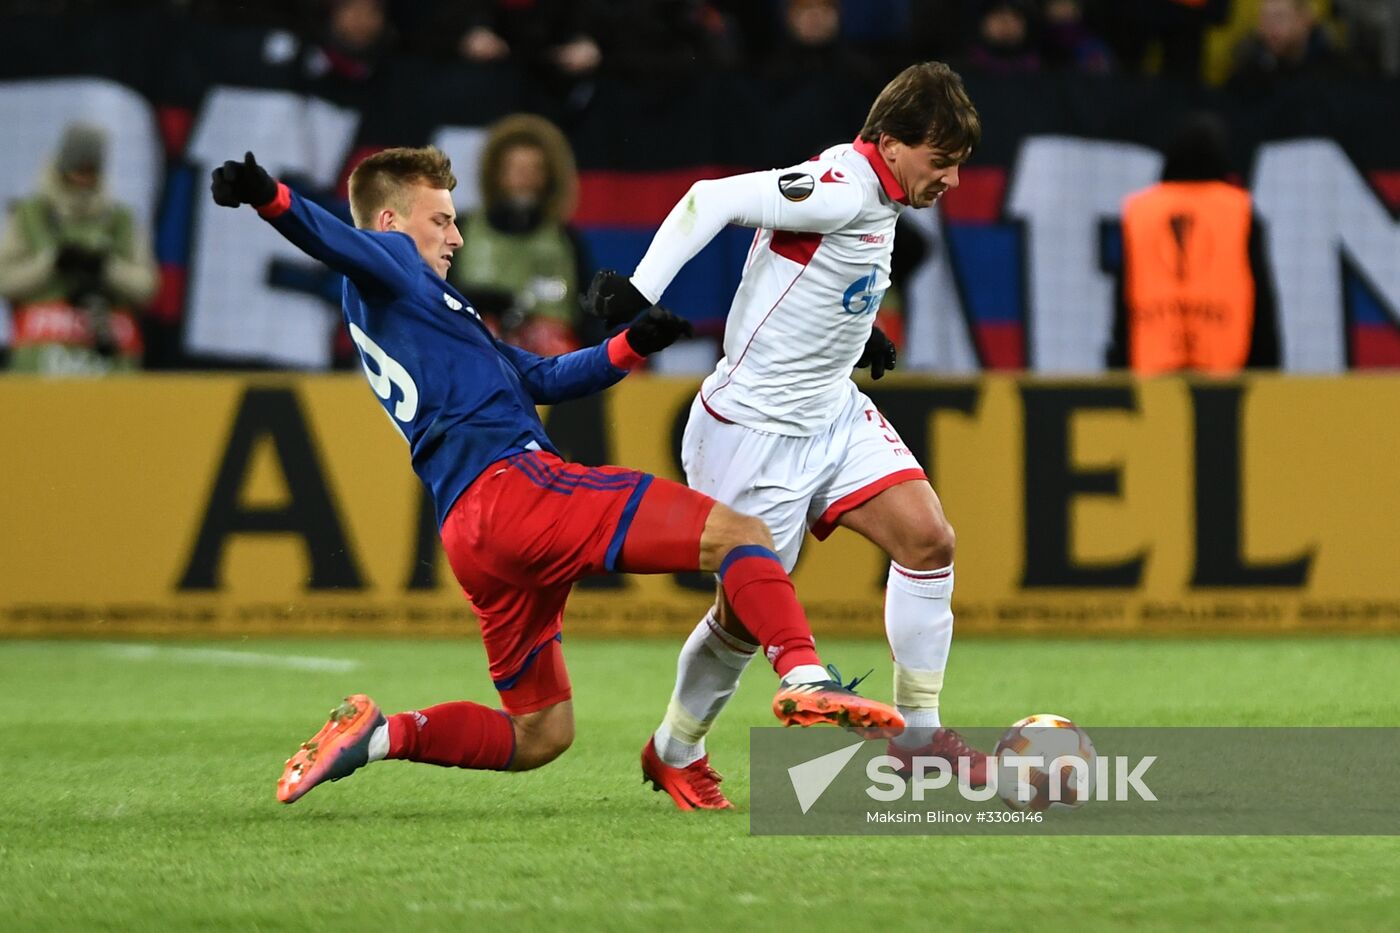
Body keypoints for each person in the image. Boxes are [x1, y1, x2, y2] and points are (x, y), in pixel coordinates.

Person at [208, 146, 902, 804]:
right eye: (441, 219)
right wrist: (269, 197)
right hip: (517, 490)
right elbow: (336, 241)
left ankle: (376, 736)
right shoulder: (390, 259)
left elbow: (539, 376)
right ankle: (805, 676)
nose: (454, 236)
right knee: (740, 532)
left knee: (541, 732)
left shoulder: (422, 309)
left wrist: (630, 346)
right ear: (391, 221)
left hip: (471, 531)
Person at [583, 61, 988, 811]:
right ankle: (674, 748)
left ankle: (920, 739)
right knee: (741, 622)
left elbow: (809, 278)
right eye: (943, 164)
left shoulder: (880, 190)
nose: (952, 182)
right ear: (893, 145)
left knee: (930, 540)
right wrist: (641, 290)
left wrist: (852, 333)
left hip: (829, 409)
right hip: (754, 429)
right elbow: (711, 199)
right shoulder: (839, 187)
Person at [1106, 113, 1280, 373]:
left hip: (1152, 371)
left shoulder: (1140, 211)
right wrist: (1268, 368)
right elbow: (1262, 303)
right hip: (1227, 373)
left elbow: (1123, 299)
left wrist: (1119, 365)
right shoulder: (1239, 210)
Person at [0, 123, 156, 374]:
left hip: (109, 358)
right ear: (62, 167)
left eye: (90, 171)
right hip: (40, 360)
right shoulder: (29, 215)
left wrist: (107, 267)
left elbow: (146, 288)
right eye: (76, 170)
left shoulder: (120, 221)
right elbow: (4, 280)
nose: (82, 179)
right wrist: (51, 263)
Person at [448, 114, 590, 356]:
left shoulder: (565, 239)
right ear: (496, 174)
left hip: (551, 360)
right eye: (515, 169)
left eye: (534, 169)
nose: (524, 179)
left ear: (548, 176)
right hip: (480, 352)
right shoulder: (463, 230)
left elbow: (587, 314)